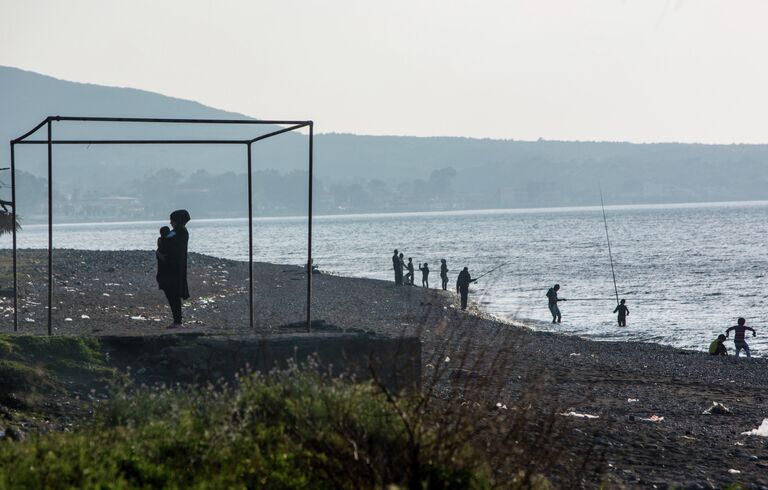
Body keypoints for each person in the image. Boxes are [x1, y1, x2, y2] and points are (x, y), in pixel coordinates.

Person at [157, 209, 191, 328]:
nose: (171, 222)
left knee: (174, 295)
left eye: (172, 220)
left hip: (174, 270)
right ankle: (177, 321)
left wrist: (162, 248)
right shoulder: (176, 232)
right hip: (171, 269)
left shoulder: (181, 232)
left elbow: (171, 248)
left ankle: (178, 321)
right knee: (171, 295)